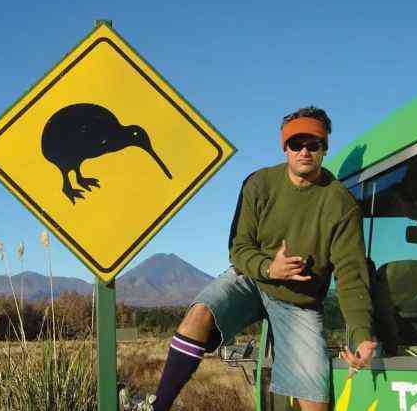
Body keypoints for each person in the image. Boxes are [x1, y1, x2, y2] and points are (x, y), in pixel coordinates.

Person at [131, 106, 376, 411]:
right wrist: (270, 268)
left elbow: (351, 275)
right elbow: (240, 247)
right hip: (253, 278)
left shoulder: (341, 203)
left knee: (315, 401)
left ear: (324, 148)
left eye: (313, 144)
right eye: (296, 144)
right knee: (200, 313)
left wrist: (362, 335)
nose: (304, 151)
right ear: (285, 147)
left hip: (298, 301)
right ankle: (160, 406)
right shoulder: (259, 184)